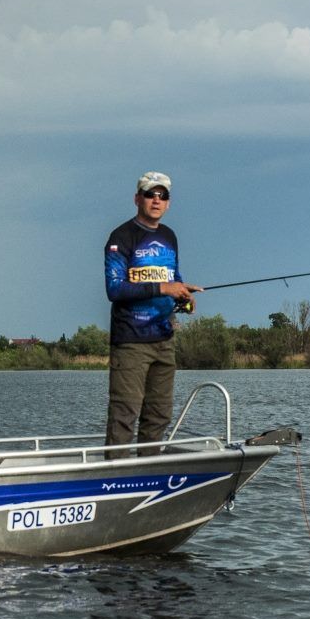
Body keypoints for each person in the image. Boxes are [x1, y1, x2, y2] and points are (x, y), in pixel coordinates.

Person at [104, 171, 201, 455]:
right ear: (138, 199)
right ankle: (113, 480)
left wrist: (183, 295)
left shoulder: (169, 236)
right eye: (150, 194)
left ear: (168, 203)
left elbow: (174, 277)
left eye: (163, 195)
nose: (156, 200)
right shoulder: (121, 237)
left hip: (164, 339)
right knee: (124, 415)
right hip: (130, 341)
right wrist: (164, 288)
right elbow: (115, 289)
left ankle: (148, 473)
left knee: (159, 415)